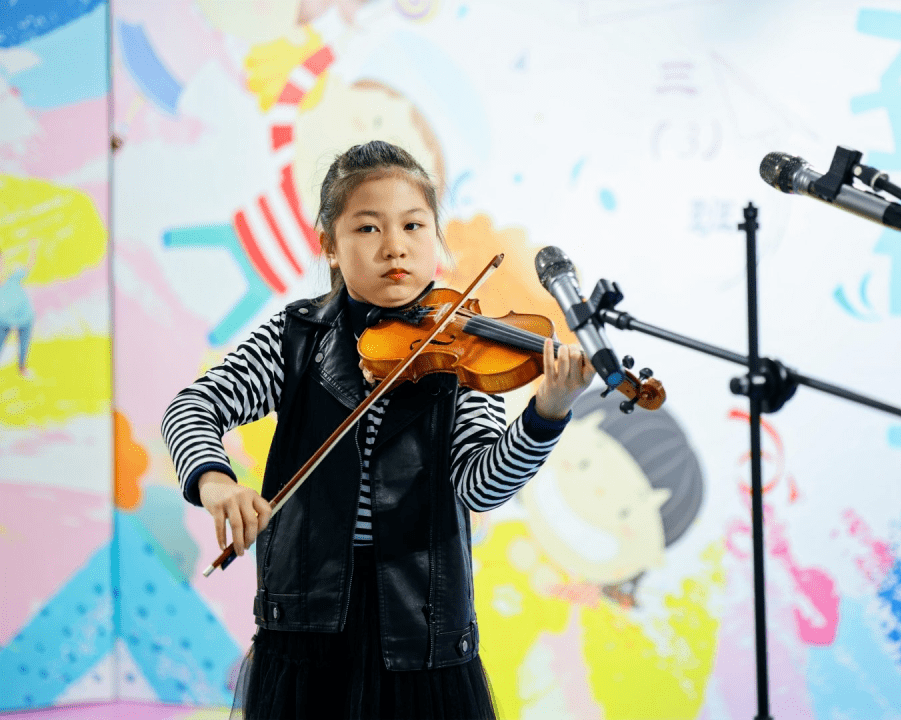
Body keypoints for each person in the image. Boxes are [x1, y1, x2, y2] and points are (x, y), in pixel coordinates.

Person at [161, 140, 594, 719]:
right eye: (368, 229)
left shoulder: (462, 354)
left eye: (414, 225)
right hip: (308, 630)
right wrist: (215, 482)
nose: (395, 247)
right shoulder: (299, 340)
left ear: (434, 237)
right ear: (330, 246)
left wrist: (547, 413)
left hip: (421, 630)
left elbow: (479, 487)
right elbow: (194, 406)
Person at [0, 239, 37, 379]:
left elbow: (28, 266)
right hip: (4, 322)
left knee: (24, 345)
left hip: (25, 318)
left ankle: (22, 367)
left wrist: (33, 249)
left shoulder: (13, 277)